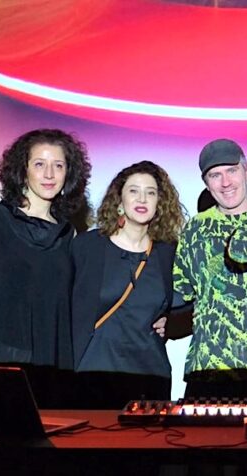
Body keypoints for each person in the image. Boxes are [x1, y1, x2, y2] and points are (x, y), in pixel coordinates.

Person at [0, 128, 91, 408]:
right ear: (22, 170)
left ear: (68, 175)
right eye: (39, 164)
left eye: (58, 165)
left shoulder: (69, 236)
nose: (49, 174)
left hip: (52, 367)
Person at [171, 138, 247, 401]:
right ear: (206, 183)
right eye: (215, 175)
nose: (225, 182)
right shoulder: (194, 230)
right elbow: (180, 291)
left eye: (232, 170)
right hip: (209, 367)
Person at [70, 161, 186, 409]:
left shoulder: (169, 254)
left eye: (151, 192)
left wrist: (173, 323)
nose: (142, 198)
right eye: (133, 190)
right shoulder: (87, 247)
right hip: (93, 375)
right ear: (119, 201)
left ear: (160, 203)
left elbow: (192, 304)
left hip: (150, 377)